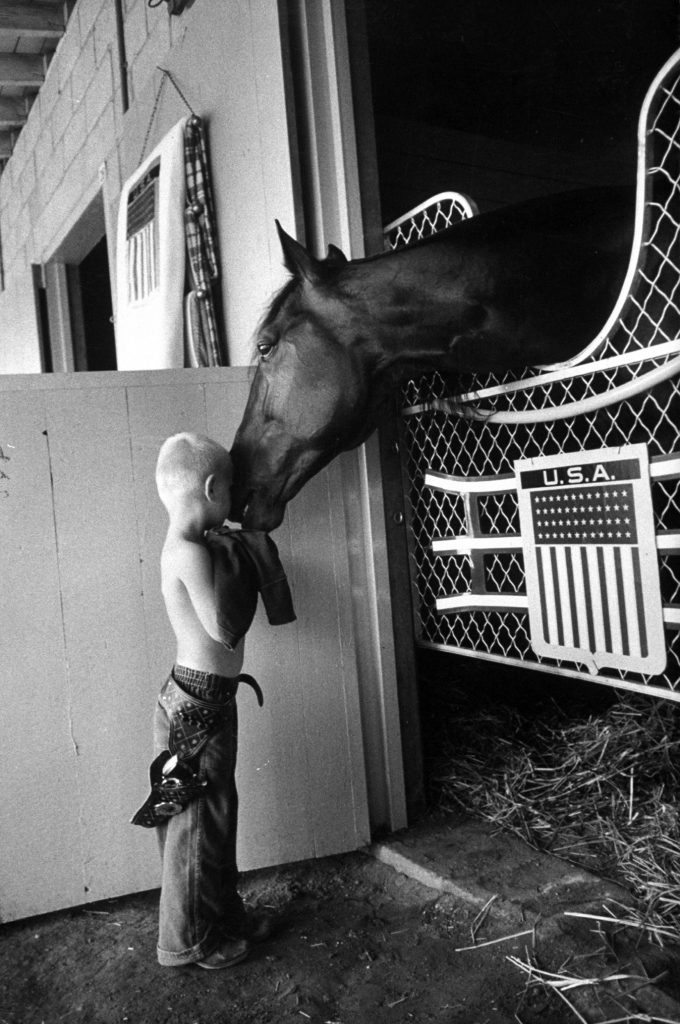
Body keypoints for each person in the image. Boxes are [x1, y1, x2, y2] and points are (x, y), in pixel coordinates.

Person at [135, 431, 273, 970]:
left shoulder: (189, 547)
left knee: (214, 817)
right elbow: (224, 630)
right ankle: (186, 943)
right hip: (199, 707)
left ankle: (223, 917)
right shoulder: (190, 554)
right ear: (214, 487)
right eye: (231, 489)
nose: (233, 499)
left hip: (199, 702)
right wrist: (242, 558)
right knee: (196, 827)